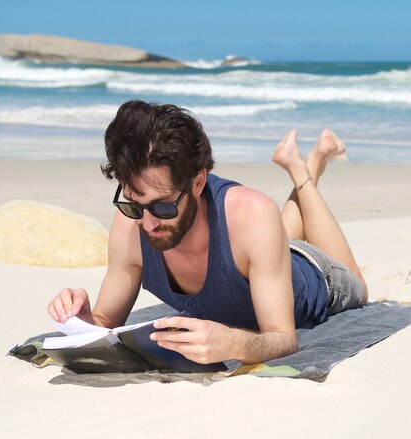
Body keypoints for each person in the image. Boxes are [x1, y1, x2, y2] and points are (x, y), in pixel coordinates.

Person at [48, 100, 367, 365]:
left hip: (316, 272)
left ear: (198, 182)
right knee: (266, 237)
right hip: (259, 255)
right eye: (135, 205)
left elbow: (284, 338)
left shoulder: (253, 214)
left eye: (163, 208)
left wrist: (234, 343)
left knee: (360, 288)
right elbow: (105, 323)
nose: (147, 224)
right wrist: (83, 319)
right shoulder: (130, 226)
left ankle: (304, 170)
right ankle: (308, 161)